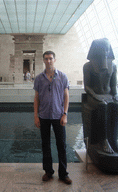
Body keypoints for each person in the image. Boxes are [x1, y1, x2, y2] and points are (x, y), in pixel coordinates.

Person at [33, 51, 72, 185]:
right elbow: (36, 98)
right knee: (46, 145)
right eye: (46, 59)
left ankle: (63, 174)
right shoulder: (39, 78)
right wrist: (36, 116)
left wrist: (65, 114)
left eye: (50, 58)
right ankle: (48, 171)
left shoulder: (62, 76)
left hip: (58, 115)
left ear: (54, 60)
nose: (48, 61)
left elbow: (66, 96)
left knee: (61, 145)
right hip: (43, 116)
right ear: (43, 60)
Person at [83, 38, 118, 154]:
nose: (105, 52)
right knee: (102, 106)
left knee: (116, 105)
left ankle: (115, 140)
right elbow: (87, 87)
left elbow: (113, 85)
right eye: (103, 49)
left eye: (107, 49)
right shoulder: (88, 66)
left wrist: (116, 94)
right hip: (94, 96)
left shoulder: (113, 66)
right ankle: (103, 140)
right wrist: (95, 96)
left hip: (108, 95)